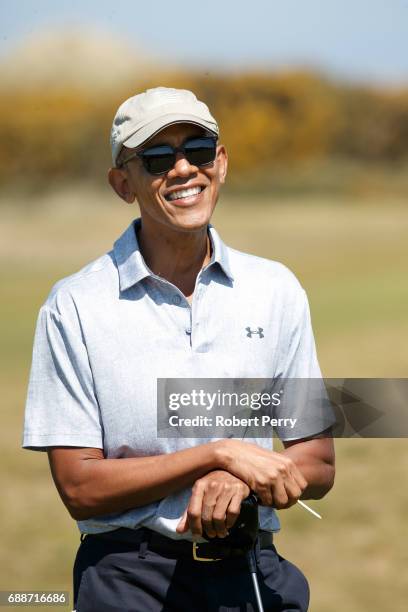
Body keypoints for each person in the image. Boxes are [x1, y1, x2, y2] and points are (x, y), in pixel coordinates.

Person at [22, 86, 335, 611]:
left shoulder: (276, 289)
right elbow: (79, 486)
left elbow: (319, 461)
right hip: (128, 580)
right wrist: (217, 454)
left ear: (223, 162)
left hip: (252, 571)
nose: (185, 168)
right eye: (158, 158)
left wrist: (239, 480)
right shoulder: (74, 305)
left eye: (200, 149)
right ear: (123, 184)